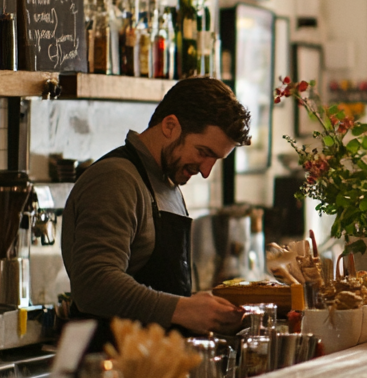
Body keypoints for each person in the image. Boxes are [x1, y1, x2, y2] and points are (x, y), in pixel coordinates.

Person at [62, 77, 250, 343]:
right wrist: (183, 309)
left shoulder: (166, 183)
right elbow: (94, 283)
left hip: (154, 367)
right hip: (110, 370)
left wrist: (205, 315)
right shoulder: (115, 179)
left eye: (215, 160)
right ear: (170, 126)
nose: (206, 171)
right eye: (202, 151)